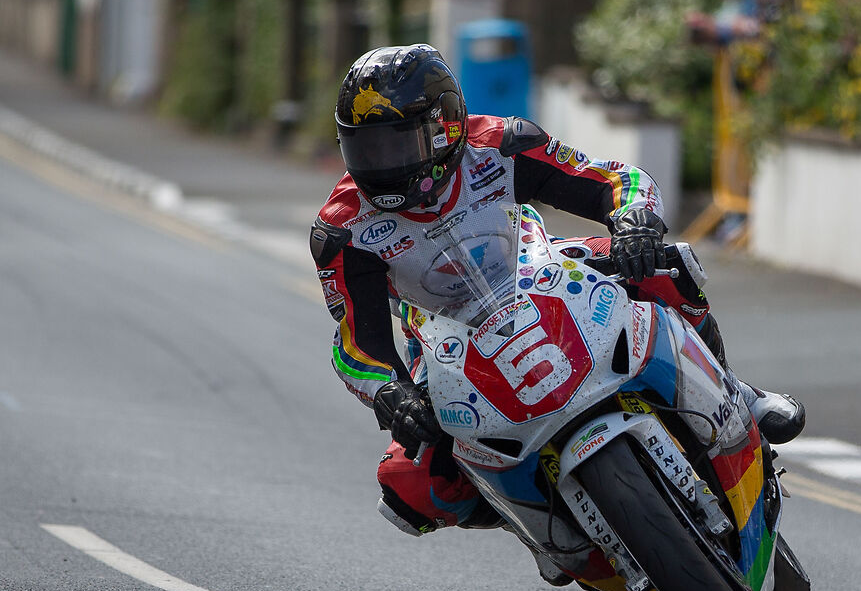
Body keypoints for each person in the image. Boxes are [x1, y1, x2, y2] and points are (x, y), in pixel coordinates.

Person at [310, 45, 803, 536]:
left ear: (447, 126)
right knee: (405, 490)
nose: (383, 167)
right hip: (440, 333)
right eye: (365, 150)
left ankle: (734, 390)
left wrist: (633, 220)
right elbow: (356, 339)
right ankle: (537, 525)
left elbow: (612, 178)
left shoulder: (501, 144)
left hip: (539, 267)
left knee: (665, 266)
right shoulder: (342, 229)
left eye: (398, 146)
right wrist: (390, 391)